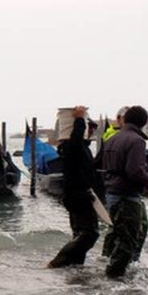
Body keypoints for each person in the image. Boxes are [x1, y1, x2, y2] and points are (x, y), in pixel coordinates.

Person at [99, 105, 148, 278]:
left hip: (112, 193)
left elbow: (106, 167)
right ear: (143, 123)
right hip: (126, 196)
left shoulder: (113, 139)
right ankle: (114, 279)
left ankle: (110, 269)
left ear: (125, 119)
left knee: (118, 235)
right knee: (128, 241)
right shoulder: (136, 141)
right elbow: (135, 171)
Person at [47, 106, 103, 268]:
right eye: (89, 126)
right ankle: (57, 263)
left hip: (77, 195)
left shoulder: (79, 148)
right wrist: (79, 119)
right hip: (78, 196)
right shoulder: (72, 146)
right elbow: (76, 140)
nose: (91, 130)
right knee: (90, 233)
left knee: (79, 234)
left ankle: (74, 267)